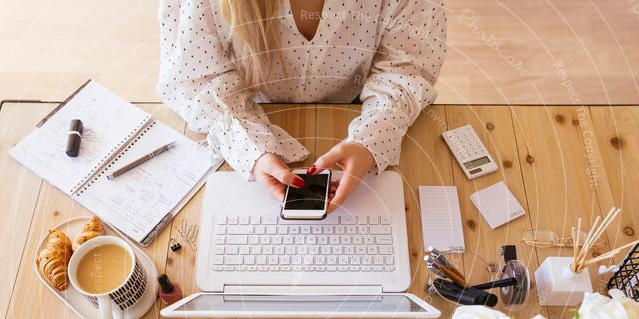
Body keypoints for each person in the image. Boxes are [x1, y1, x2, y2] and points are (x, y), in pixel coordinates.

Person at [157, 0, 446, 207]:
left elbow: (406, 67)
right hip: (248, 111)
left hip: (356, 108)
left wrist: (371, 140)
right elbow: (195, 79)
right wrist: (250, 149)